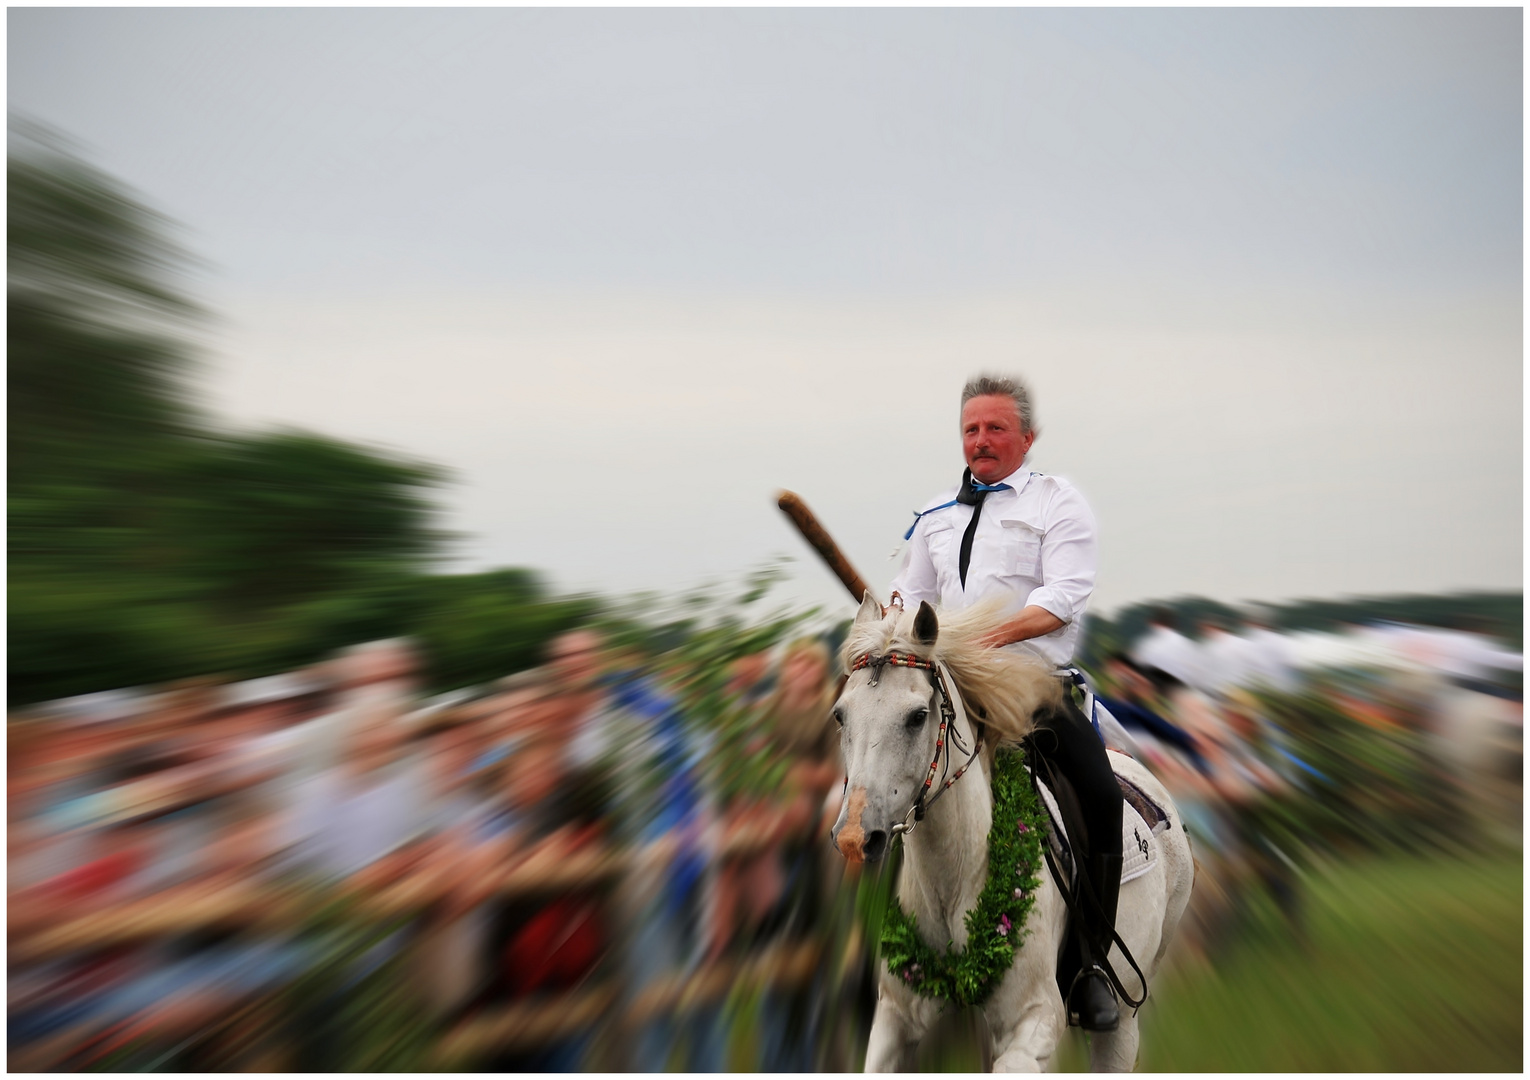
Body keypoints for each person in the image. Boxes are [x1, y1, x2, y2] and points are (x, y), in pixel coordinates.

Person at [888, 372, 1125, 1032]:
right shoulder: (935, 516)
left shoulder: (1058, 502)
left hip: (1033, 694)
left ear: (1027, 436)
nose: (981, 440)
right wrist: (888, 621)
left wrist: (983, 638)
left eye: (995, 428)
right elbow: (909, 594)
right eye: (970, 429)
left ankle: (1088, 971)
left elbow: (1064, 596)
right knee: (880, 794)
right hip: (947, 698)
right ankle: (890, 968)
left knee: (1102, 798)